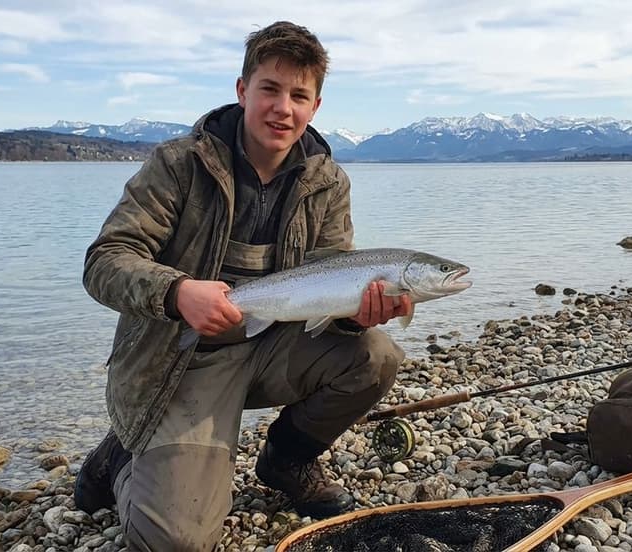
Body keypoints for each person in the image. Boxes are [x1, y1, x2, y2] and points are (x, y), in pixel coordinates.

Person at [76, 20, 408, 551]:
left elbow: (332, 279)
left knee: (375, 355)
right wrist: (177, 292)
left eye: (299, 95)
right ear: (242, 91)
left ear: (315, 107)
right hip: (179, 360)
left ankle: (286, 461)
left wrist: (353, 315)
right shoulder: (178, 165)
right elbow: (105, 262)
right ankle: (121, 460)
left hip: (273, 342)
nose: (283, 108)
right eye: (270, 90)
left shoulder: (328, 181)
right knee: (177, 543)